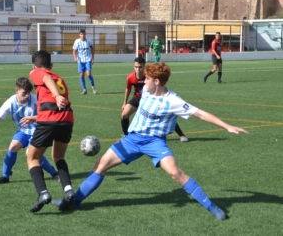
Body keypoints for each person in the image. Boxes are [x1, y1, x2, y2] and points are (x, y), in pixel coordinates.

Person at [54, 62, 249, 220]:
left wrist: (226, 126)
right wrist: (127, 110)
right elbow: (136, 101)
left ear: (156, 81)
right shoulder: (146, 91)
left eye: (146, 78)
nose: (143, 80)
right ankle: (75, 201)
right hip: (132, 139)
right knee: (100, 165)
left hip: (155, 142)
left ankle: (212, 207)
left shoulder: (173, 100)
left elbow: (200, 114)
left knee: (175, 173)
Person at [0, 77, 60, 185]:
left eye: (28, 92)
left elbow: (49, 116)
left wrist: (33, 118)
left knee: (30, 153)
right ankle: (5, 176)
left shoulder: (35, 100)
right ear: (16, 90)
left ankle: (54, 174)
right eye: (24, 93)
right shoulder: (10, 103)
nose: (27, 95)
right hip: (24, 131)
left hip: (39, 130)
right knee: (13, 146)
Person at [27, 50, 75, 213]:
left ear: (34, 66)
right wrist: (36, 117)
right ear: (52, 65)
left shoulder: (38, 72)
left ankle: (43, 193)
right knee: (59, 157)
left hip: (50, 119)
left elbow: (45, 78)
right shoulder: (59, 78)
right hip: (66, 119)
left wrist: (56, 96)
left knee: (32, 157)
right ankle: (68, 190)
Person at [121, 57, 188, 142]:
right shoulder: (130, 77)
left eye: (140, 67)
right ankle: (126, 135)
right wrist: (125, 103)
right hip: (137, 98)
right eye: (136, 67)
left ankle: (181, 135)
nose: (138, 69)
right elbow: (128, 89)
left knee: (163, 116)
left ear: (144, 66)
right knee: (124, 115)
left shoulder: (149, 76)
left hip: (151, 98)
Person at [73, 29, 97, 95]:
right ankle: (84, 89)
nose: (82, 35)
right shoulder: (77, 41)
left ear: (85, 34)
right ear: (79, 35)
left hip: (87, 59)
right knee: (81, 75)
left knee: (89, 74)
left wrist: (92, 58)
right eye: (81, 34)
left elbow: (92, 49)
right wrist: (75, 58)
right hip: (80, 61)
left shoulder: (88, 41)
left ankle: (93, 87)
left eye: (83, 34)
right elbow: (74, 50)